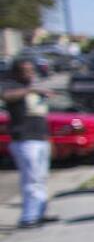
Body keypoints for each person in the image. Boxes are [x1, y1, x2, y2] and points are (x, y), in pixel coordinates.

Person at [2, 59, 57, 228]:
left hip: (40, 138)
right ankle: (28, 217)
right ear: (16, 73)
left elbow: (42, 117)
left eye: (31, 70)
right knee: (31, 180)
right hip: (25, 140)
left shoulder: (35, 90)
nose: (30, 73)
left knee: (41, 178)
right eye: (25, 70)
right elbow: (6, 96)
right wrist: (30, 90)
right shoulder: (11, 86)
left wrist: (49, 139)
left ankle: (40, 211)